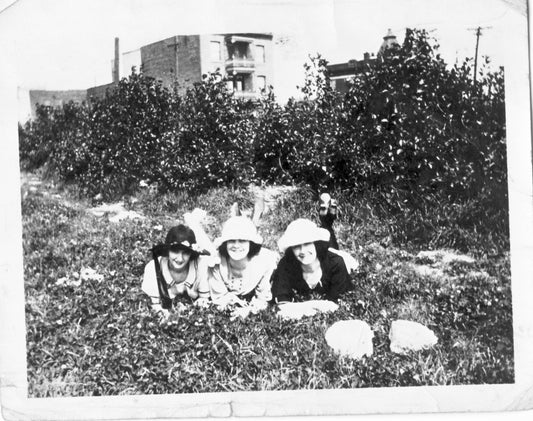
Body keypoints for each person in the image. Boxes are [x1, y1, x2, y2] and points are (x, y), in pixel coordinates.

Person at [271, 194, 357, 305]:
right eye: (296, 246)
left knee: (331, 247)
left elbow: (338, 302)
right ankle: (326, 220)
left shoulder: (336, 263)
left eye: (307, 243)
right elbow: (282, 301)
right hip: (320, 253)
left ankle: (327, 222)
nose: (302, 250)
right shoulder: (285, 264)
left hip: (330, 256)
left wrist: (303, 307)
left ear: (316, 244)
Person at [208, 215, 278, 318]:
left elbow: (263, 299)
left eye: (242, 240)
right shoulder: (217, 262)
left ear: (250, 243)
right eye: (231, 240)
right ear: (225, 243)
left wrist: (249, 310)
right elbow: (219, 298)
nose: (236, 245)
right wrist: (230, 303)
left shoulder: (264, 262)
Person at [141, 224, 211, 317]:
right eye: (175, 251)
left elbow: (204, 299)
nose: (180, 258)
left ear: (191, 253)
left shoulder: (200, 266)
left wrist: (190, 313)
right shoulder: (153, 269)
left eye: (185, 252)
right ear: (167, 251)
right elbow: (154, 305)